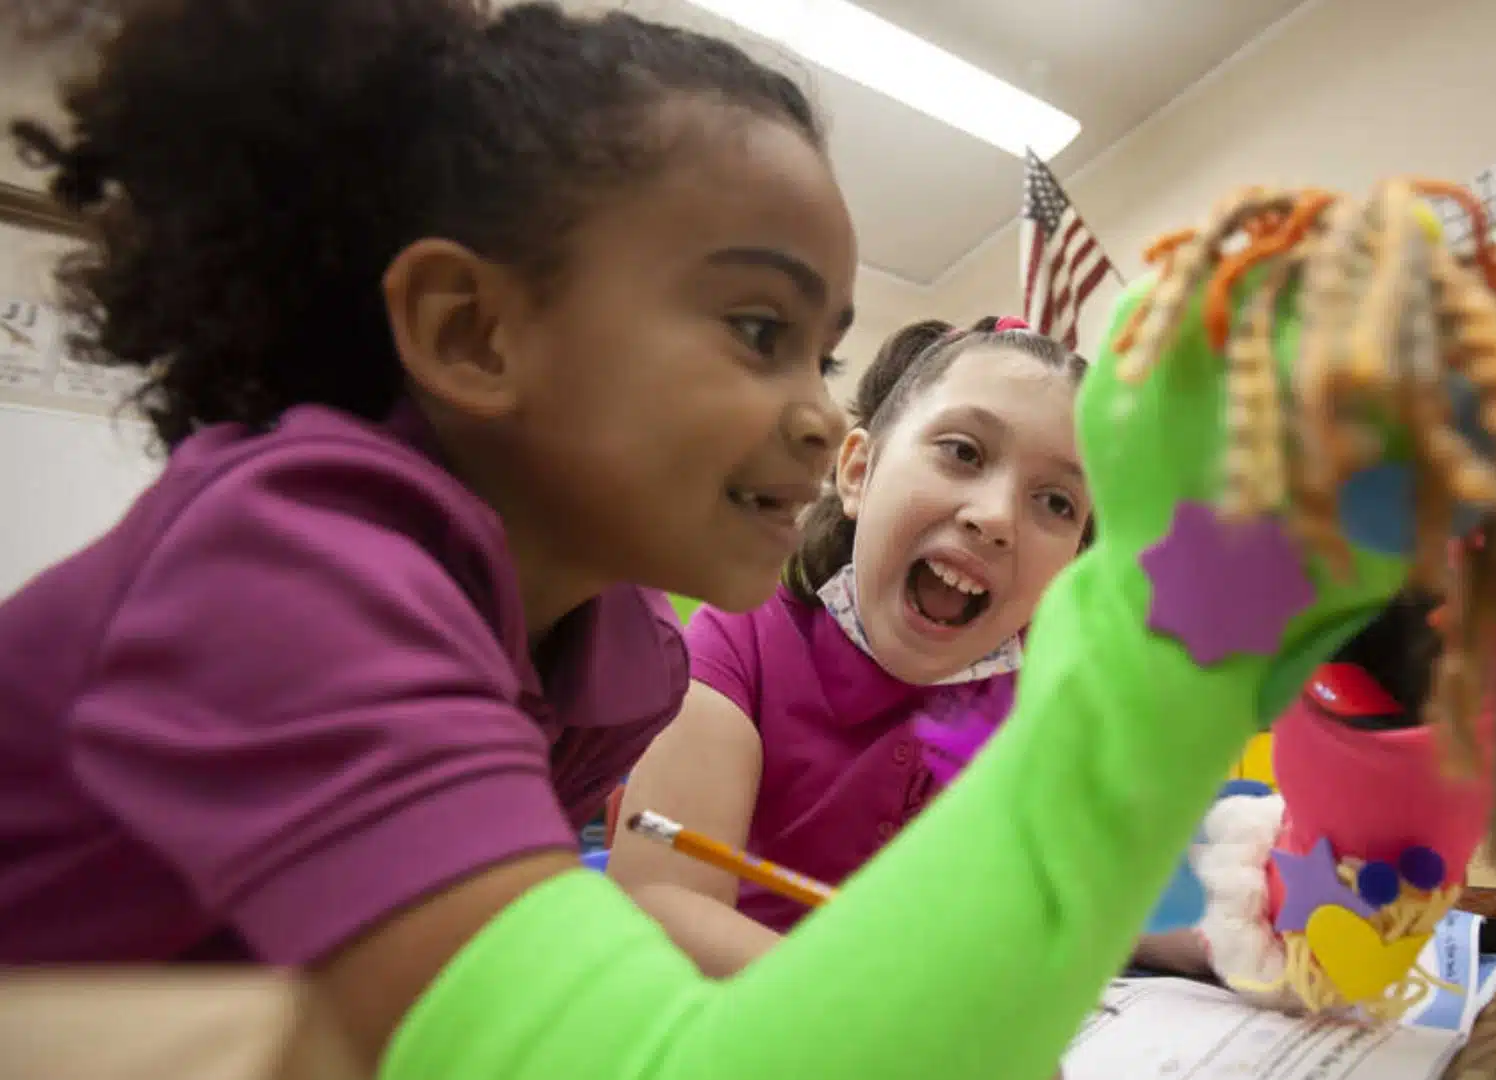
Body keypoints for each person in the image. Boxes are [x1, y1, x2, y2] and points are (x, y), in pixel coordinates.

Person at [0, 4, 1392, 1079]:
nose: (810, 413)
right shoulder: (292, 575)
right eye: (756, 330)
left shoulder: (612, 657)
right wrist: (1178, 642)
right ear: (476, 330)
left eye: (824, 351)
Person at [607, 316, 1205, 975]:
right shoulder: (738, 636)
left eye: (1057, 503)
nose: (997, 517)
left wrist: (1205, 942)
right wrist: (891, 1028)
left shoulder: (1037, 693)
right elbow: (658, 901)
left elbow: (1061, 885)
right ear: (860, 471)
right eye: (964, 453)